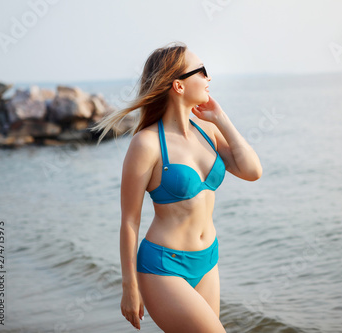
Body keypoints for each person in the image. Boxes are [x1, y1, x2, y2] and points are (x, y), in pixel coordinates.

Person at [91, 41, 262, 332]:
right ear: (178, 86)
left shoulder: (208, 131)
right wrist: (129, 287)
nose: (209, 78)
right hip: (164, 267)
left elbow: (252, 171)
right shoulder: (146, 144)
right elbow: (130, 221)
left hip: (208, 259)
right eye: (202, 71)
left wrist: (220, 118)